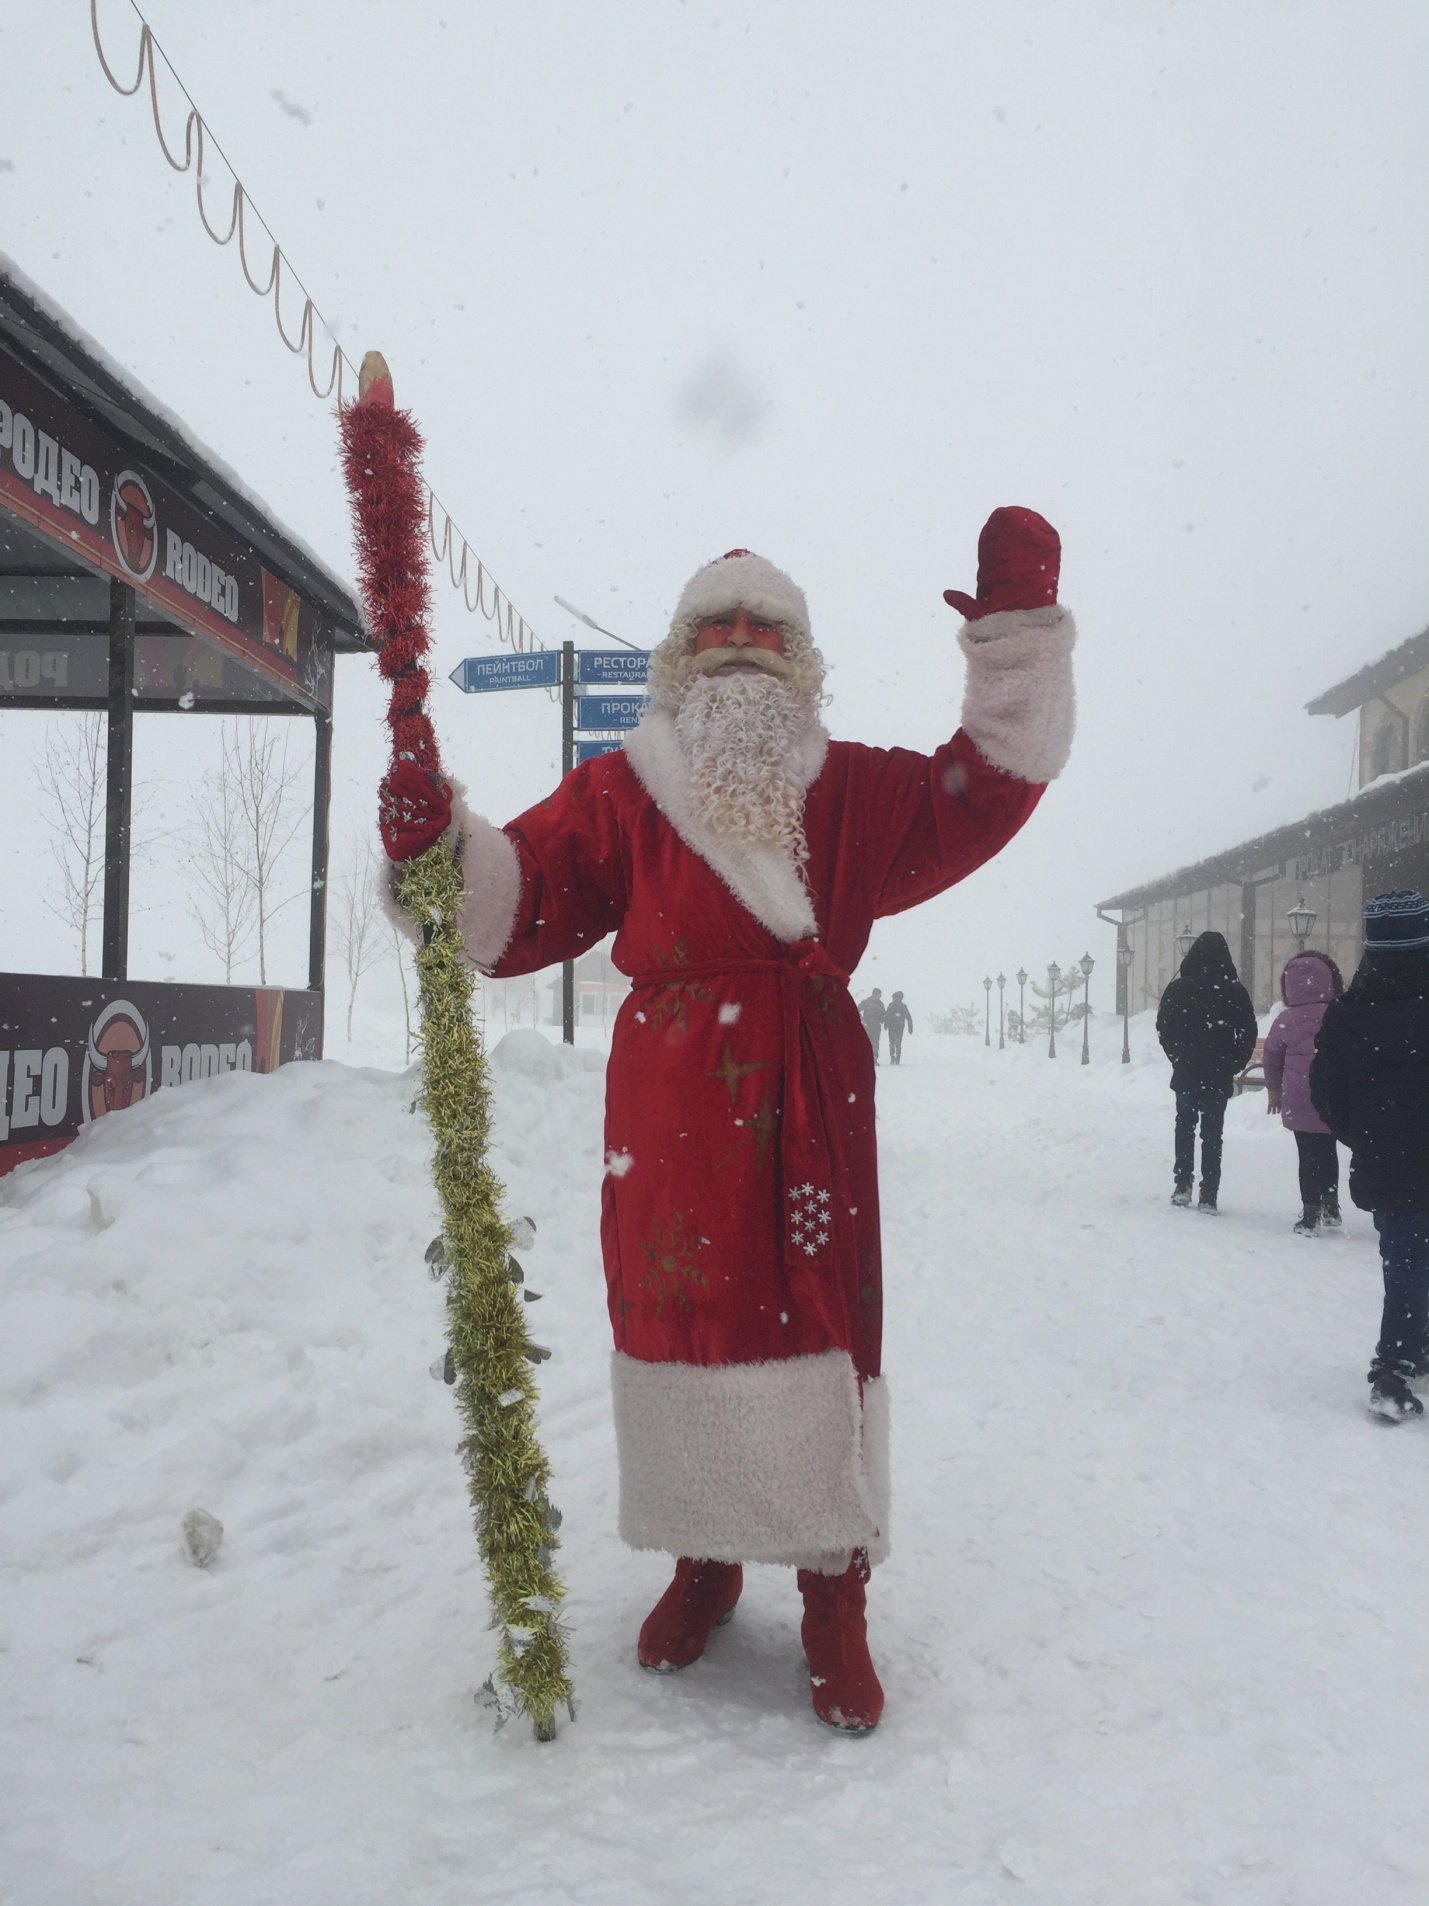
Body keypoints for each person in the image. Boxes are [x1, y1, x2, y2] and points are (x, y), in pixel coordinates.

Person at [379, 509, 1076, 1729]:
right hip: (668, 1112)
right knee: (678, 1318)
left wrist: (1013, 640)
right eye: (718, 627)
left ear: (799, 661)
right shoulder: (624, 792)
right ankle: (702, 1554)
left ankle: (831, 1589)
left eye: (766, 629)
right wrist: (437, 845)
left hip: (808, 1101)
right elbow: (524, 903)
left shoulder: (854, 789)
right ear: (678, 654)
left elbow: (987, 789)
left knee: (816, 1328)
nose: (741, 643)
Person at [1309, 890, 1429, 1422]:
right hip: (1401, 1153)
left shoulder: (1348, 1012)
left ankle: (1404, 1357)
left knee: (1404, 1261)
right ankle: (1395, 1365)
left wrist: (1365, 1134)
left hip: (1390, 1159)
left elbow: (1326, 1091)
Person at [1154, 930, 1257, 1213]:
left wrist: (1177, 1055)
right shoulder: (1234, 990)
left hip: (1187, 1069)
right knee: (1213, 1133)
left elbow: (1164, 1026)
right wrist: (1234, 1062)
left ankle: (1182, 1184)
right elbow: (1248, 1031)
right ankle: (1209, 1192)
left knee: (1184, 1127)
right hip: (1217, 1071)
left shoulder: (1178, 988)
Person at [1262, 950, 1344, 1235]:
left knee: (1307, 1154)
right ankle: (1331, 1206)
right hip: (1332, 1094)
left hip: (1298, 1097)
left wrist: (1274, 1089)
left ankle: (1310, 1214)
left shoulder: (1286, 1019)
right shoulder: (1338, 1014)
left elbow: (1271, 1057)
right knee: (1328, 1149)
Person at [884, 991, 914, 1065]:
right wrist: (910, 1027)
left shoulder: (893, 1005)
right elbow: (908, 1017)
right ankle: (896, 1058)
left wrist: (885, 1024)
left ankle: (894, 1058)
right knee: (897, 1043)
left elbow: (887, 1016)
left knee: (893, 1043)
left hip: (894, 1027)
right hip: (898, 1027)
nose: (894, 999)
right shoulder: (902, 1006)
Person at [857, 987, 886, 1062]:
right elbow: (857, 1010)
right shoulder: (866, 1002)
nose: (880, 997)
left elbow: (883, 1014)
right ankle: (865, 1059)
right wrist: (862, 1020)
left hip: (876, 1027)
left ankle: (874, 1059)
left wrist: (883, 1020)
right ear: (875, 994)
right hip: (867, 1026)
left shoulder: (880, 1004)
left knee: (876, 1043)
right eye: (879, 995)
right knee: (866, 1043)